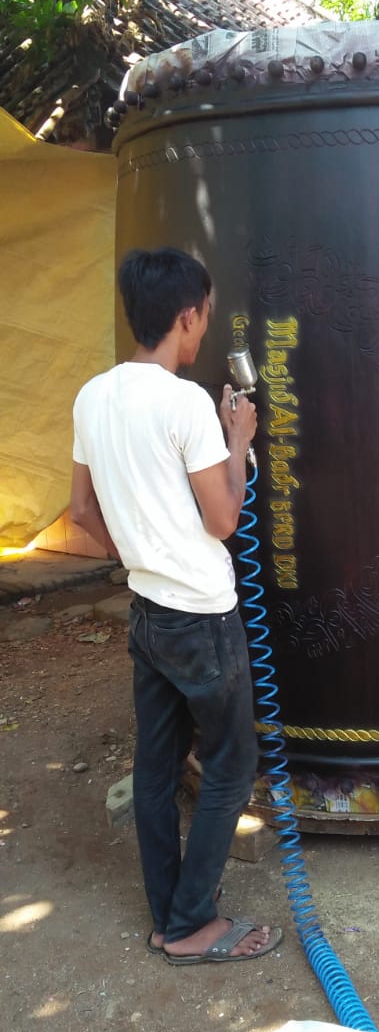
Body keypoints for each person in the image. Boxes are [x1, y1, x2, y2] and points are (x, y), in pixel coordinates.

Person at [70, 246, 282, 965]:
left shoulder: (92, 396)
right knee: (231, 764)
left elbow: (81, 509)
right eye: (206, 317)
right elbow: (223, 521)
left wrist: (138, 554)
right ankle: (192, 924)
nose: (205, 330)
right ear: (186, 316)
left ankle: (168, 916)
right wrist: (238, 440)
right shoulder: (185, 402)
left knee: (157, 768)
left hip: (146, 612)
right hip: (201, 616)